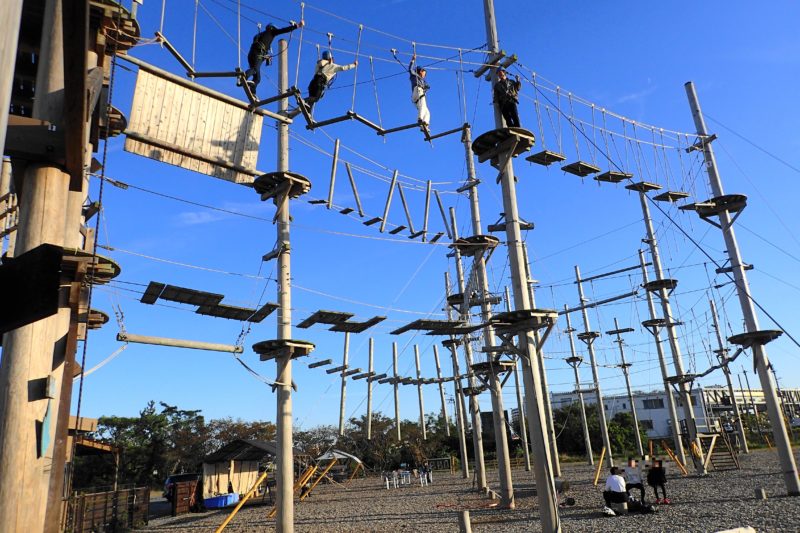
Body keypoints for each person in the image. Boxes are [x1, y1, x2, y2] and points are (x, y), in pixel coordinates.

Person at [241, 21, 304, 94]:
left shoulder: (259, 35)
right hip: (258, 54)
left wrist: (265, 55)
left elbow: (257, 41)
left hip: (251, 54)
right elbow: (283, 30)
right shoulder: (271, 32)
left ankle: (252, 91)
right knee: (255, 70)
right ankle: (244, 77)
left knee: (257, 78)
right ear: (272, 28)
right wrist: (297, 26)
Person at [290, 51, 358, 117]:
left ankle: (309, 113)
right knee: (316, 99)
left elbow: (318, 72)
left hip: (313, 83)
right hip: (320, 82)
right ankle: (303, 100)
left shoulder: (319, 64)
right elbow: (343, 68)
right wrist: (354, 64)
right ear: (330, 58)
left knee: (311, 99)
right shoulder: (332, 66)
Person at [408, 54, 430, 127]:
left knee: (427, 112)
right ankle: (420, 118)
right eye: (424, 73)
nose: (424, 75)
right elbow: (410, 69)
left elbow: (426, 86)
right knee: (423, 106)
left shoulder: (421, 80)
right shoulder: (414, 75)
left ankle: (424, 126)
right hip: (418, 90)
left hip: (415, 96)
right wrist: (413, 60)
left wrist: (426, 87)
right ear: (421, 71)